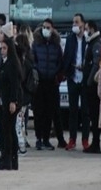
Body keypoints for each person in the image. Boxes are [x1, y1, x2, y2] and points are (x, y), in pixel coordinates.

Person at [32, 19, 63, 151]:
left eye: (48, 27)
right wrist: (37, 71)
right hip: (39, 82)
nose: (45, 29)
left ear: (52, 29)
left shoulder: (56, 45)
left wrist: (56, 74)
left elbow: (60, 62)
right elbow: (33, 60)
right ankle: (39, 138)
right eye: (44, 27)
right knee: (38, 111)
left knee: (49, 112)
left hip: (52, 82)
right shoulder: (36, 43)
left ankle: (46, 138)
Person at [63, 13, 90, 151]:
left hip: (85, 79)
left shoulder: (89, 39)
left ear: (83, 24)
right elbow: (67, 55)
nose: (75, 25)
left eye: (77, 22)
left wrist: (86, 67)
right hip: (73, 77)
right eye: (73, 22)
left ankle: (85, 139)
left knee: (85, 111)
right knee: (72, 110)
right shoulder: (70, 39)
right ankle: (72, 139)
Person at [0, 37, 22, 170]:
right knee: (9, 130)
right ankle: (12, 160)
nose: (2, 51)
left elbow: (14, 85)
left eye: (5, 48)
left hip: (11, 102)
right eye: (1, 48)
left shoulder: (12, 64)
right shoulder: (5, 63)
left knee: (8, 131)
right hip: (5, 101)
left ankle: (9, 160)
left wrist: (13, 101)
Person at [82, 20, 101, 153]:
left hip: (92, 85)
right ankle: (94, 142)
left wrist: (90, 81)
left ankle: (96, 143)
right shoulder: (91, 42)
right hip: (88, 83)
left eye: (87, 29)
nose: (85, 31)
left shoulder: (96, 43)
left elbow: (96, 64)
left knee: (94, 114)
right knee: (92, 114)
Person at [15, 33, 34, 155]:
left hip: (21, 95)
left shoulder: (21, 62)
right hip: (27, 95)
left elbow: (20, 78)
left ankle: (21, 145)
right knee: (21, 120)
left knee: (18, 121)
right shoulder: (29, 59)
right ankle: (23, 143)